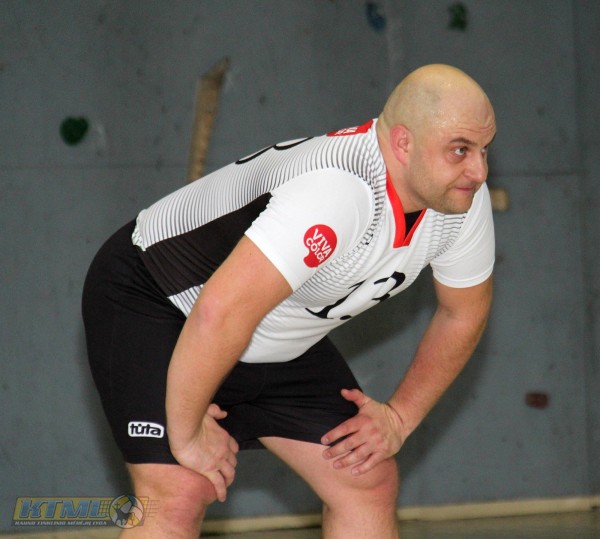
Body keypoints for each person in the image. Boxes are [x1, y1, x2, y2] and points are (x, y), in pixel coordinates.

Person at [82, 63, 496, 538]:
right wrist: (186, 433)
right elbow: (219, 313)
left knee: (364, 476)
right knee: (179, 491)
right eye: (460, 150)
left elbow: (462, 313)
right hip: (158, 298)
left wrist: (399, 419)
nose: (478, 171)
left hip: (264, 322)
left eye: (484, 150)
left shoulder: (457, 201)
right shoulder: (338, 191)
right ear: (403, 143)